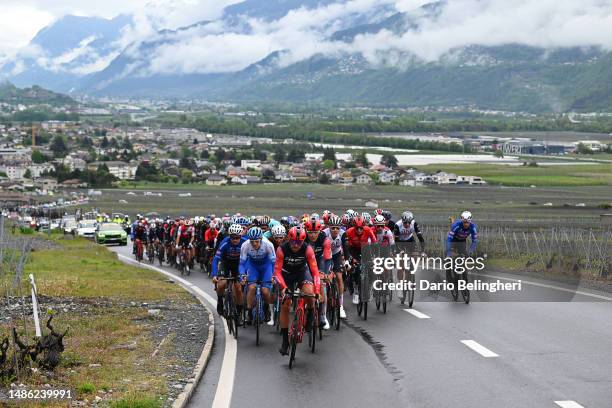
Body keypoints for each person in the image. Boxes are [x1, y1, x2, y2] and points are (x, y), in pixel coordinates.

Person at [274, 226, 320, 356]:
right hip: (286, 274)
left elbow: (315, 272)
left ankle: (310, 313)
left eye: (299, 242)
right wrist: (284, 288)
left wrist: (316, 291)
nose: (295, 245)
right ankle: (284, 341)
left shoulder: (308, 249)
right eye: (293, 241)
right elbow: (277, 272)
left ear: (303, 241)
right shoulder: (281, 249)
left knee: (309, 293)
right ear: (288, 239)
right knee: (285, 304)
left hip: (301, 273)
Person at [240, 227, 276, 325]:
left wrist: (273, 275)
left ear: (261, 239)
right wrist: (242, 275)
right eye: (252, 241)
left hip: (266, 266)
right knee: (251, 287)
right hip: (253, 266)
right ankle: (250, 312)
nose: (254, 243)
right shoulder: (245, 245)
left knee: (265, 290)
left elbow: (274, 263)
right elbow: (242, 263)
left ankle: (266, 307)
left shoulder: (268, 244)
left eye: (256, 241)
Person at [212, 224, 246, 317]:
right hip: (225, 263)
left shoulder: (245, 243)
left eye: (237, 238)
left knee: (238, 289)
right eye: (232, 238)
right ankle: (220, 300)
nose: (235, 240)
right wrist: (214, 275)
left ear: (241, 236)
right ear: (229, 236)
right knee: (222, 284)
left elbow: (249, 260)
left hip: (238, 264)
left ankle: (239, 313)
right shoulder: (224, 243)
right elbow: (216, 259)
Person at [304, 219, 332, 330]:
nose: (313, 235)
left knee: (321, 285)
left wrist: (324, 273)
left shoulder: (325, 240)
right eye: (310, 232)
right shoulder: (303, 238)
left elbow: (327, 258)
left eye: (315, 232)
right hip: (306, 261)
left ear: (319, 231)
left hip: (320, 261)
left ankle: (322, 316)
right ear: (306, 231)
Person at [343, 216, 377, 304]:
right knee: (355, 268)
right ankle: (356, 289)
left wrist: (376, 255)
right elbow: (346, 247)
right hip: (353, 249)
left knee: (372, 267)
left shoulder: (368, 230)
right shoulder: (349, 232)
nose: (359, 230)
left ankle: (369, 287)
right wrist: (350, 258)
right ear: (354, 227)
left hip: (365, 248)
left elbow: (374, 243)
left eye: (361, 228)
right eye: (357, 228)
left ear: (364, 227)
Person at [324, 215, 347, 318]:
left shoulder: (343, 234)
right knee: (325, 278)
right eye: (333, 228)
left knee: (339, 277)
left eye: (337, 228)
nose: (335, 230)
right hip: (325, 256)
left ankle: (341, 306)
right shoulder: (324, 234)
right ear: (329, 227)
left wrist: (346, 261)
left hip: (336, 255)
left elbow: (346, 248)